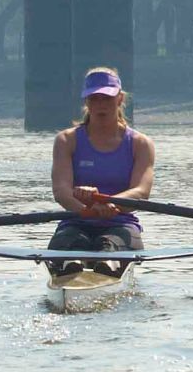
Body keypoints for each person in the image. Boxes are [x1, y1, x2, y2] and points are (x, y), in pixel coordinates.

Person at [47, 66, 155, 276]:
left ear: (120, 99)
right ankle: (72, 267)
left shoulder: (140, 144)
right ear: (86, 101)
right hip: (75, 222)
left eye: (106, 98)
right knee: (71, 247)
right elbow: (61, 191)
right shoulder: (66, 140)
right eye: (94, 98)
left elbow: (142, 191)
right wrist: (84, 209)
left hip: (120, 224)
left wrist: (111, 203)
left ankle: (105, 266)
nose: (100, 105)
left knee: (109, 251)